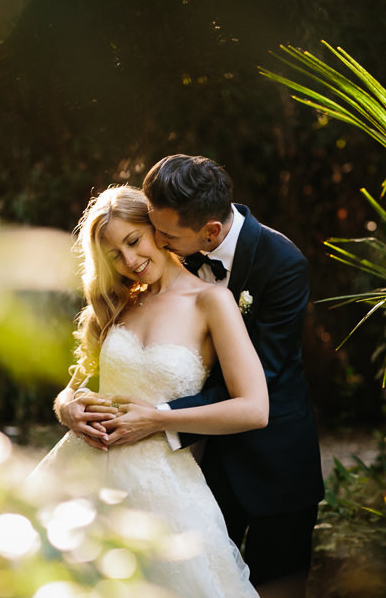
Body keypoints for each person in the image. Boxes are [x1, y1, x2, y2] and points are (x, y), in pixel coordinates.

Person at [100, 155, 324, 598]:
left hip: (272, 463)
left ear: (211, 232)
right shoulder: (156, 272)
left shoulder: (282, 264)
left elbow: (265, 377)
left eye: (164, 234)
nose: (155, 241)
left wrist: (157, 415)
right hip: (195, 469)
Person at [41, 185, 267, 597]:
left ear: (156, 230)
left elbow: (254, 408)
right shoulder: (117, 304)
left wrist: (160, 418)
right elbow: (73, 388)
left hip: (163, 486)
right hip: (82, 473)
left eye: (134, 241)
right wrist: (67, 410)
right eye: (114, 255)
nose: (130, 261)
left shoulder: (212, 301)